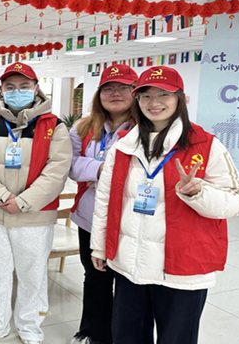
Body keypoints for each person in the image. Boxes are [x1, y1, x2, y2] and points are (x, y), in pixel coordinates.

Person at [90, 66, 239, 344]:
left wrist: (200, 193)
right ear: (138, 100)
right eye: (146, 96)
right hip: (129, 263)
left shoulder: (205, 145)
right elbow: (105, 200)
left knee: (176, 338)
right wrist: (100, 246)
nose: (155, 102)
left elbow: (236, 201)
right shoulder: (124, 146)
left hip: (182, 267)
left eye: (164, 94)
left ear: (180, 99)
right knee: (127, 336)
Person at [0, 62, 72, 344]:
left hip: (35, 215)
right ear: (1, 89)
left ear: (36, 89)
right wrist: (2, 196)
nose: (17, 91)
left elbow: (57, 170)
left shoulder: (54, 126)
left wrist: (23, 201)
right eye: (10, 87)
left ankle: (30, 327)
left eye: (24, 86)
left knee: (32, 274)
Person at [69, 64, 142, 344]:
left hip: (129, 218)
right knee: (95, 276)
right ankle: (94, 333)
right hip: (90, 216)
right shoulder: (83, 128)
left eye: (124, 87)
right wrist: (101, 170)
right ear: (99, 94)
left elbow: (143, 172)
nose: (116, 93)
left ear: (135, 92)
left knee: (126, 280)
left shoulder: (145, 127)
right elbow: (70, 165)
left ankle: (122, 335)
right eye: (109, 88)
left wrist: (95, 173)